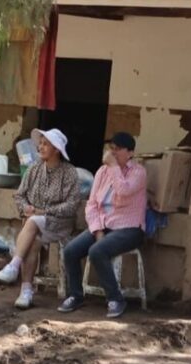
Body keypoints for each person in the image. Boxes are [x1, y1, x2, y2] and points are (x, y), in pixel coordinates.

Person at [58, 131, 147, 319]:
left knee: (97, 251)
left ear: (130, 153)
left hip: (129, 228)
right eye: (111, 148)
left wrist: (114, 167)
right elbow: (91, 204)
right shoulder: (101, 172)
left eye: (118, 149)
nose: (113, 153)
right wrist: (97, 229)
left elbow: (123, 191)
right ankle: (76, 295)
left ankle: (115, 299)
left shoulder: (138, 172)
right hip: (104, 224)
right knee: (70, 251)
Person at [0, 128, 82, 309]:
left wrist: (44, 211)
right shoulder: (34, 169)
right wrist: (25, 208)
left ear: (56, 149)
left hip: (60, 223)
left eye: (45, 144)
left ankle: (13, 265)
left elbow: (72, 205)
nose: (40, 147)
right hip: (35, 224)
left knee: (33, 222)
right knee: (32, 239)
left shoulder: (69, 172)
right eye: (40, 144)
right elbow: (19, 195)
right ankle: (26, 291)